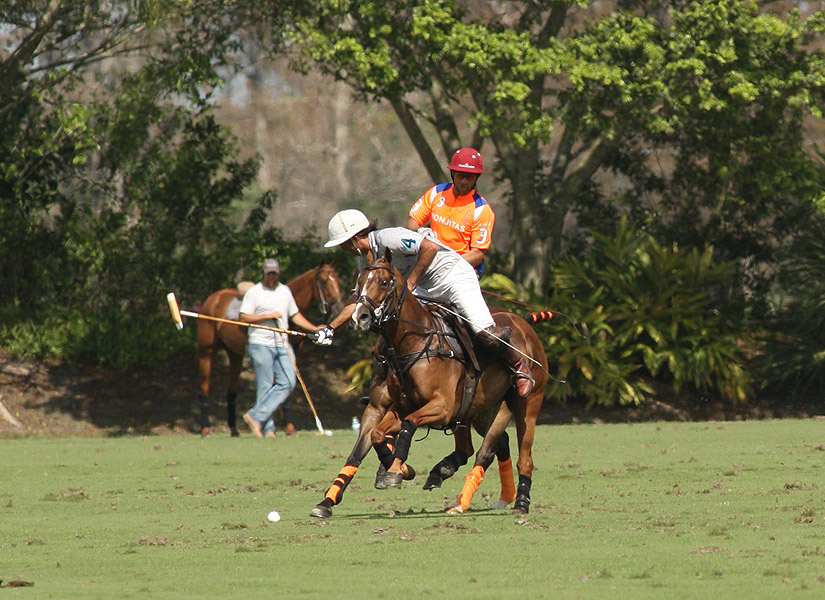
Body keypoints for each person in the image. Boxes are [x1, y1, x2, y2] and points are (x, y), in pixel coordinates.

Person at [314, 210, 533, 397]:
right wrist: (331, 328)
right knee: (395, 332)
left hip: (452, 276)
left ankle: (519, 366)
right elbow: (359, 300)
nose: (342, 249)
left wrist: (410, 283)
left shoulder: (389, 238)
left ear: (353, 239)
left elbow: (430, 247)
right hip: (423, 286)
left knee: (484, 332)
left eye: (342, 244)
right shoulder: (365, 261)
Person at [241, 258, 325, 438]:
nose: (272, 277)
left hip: (282, 343)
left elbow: (294, 315)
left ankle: (254, 416)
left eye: (275, 273)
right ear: (263, 274)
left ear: (278, 273)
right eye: (268, 273)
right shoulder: (254, 292)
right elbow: (244, 317)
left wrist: (313, 328)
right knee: (264, 385)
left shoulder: (284, 291)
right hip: (260, 343)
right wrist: (268, 315)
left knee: (288, 381)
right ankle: (268, 429)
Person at [406, 147, 495, 278]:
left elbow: (477, 254)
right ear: (453, 173)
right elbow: (412, 225)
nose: (464, 181)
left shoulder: (482, 209)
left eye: (469, 177)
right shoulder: (436, 192)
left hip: (462, 271)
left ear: (476, 178)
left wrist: (446, 264)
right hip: (428, 263)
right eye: (460, 175)